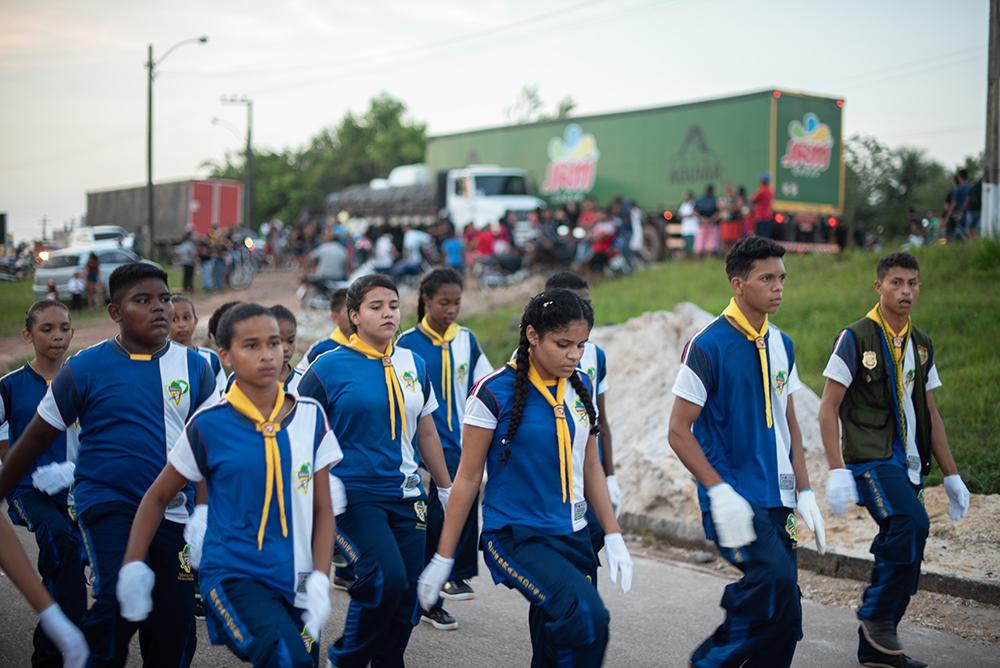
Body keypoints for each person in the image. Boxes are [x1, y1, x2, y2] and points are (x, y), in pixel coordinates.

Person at [0, 262, 219, 667]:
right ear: (115, 312)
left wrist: (203, 513)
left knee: (173, 623)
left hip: (174, 512)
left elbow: (208, 450)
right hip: (108, 504)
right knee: (119, 603)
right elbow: (34, 438)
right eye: (143, 300)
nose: (160, 309)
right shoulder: (84, 368)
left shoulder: (196, 368)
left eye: (165, 298)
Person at [116, 303, 341, 668]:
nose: (268, 354)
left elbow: (323, 509)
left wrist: (319, 575)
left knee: (299, 660)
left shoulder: (311, 416)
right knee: (287, 658)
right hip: (234, 576)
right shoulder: (209, 423)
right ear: (226, 356)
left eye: (274, 343)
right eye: (251, 345)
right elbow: (157, 496)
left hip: (297, 579)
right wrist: (132, 565)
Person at [418, 288, 633, 667]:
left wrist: (613, 534)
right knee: (587, 618)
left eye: (581, 345)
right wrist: (443, 557)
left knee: (555, 639)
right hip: (516, 538)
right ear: (532, 335)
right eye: (563, 344)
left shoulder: (579, 385)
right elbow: (467, 480)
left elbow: (590, 466)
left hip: (573, 534)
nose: (574, 355)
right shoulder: (493, 392)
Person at [668, 236, 825, 668]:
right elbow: (678, 431)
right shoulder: (707, 345)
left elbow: (789, 422)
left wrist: (806, 491)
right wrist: (717, 491)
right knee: (772, 581)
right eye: (767, 278)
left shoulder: (783, 344)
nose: (778, 287)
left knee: (786, 613)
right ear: (738, 284)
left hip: (781, 498)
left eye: (782, 278)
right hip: (735, 496)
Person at [818, 252, 970, 668]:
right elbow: (827, 407)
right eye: (897, 283)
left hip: (909, 464)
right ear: (879, 287)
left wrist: (952, 474)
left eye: (913, 283)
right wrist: (836, 469)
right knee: (909, 523)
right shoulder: (855, 338)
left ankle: (877, 650)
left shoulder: (921, 344)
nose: (905, 291)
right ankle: (876, 613)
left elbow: (931, 412)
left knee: (911, 541)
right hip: (870, 459)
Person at [297, 274, 454, 667]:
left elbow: (427, 430)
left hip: (408, 496)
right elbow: (298, 430)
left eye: (393, 306)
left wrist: (447, 488)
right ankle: (345, 659)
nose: (388, 313)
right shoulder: (327, 367)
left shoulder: (413, 362)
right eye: (376, 307)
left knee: (406, 598)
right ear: (353, 315)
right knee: (384, 579)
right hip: (352, 497)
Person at [396, 268, 494, 630]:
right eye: (444, 303)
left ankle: (451, 576)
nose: (451, 309)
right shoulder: (406, 343)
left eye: (456, 303)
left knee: (462, 510)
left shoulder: (466, 340)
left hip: (461, 444)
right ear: (426, 301)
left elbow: (485, 384)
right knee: (431, 521)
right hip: (424, 449)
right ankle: (429, 598)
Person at [0, 300, 88, 667]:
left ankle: (58, 638)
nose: (57, 336)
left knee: (69, 563)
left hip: (76, 488)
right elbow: (5, 448)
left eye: (64, 328)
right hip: (28, 490)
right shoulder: (9, 387)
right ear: (28, 335)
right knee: (63, 543)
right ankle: (61, 646)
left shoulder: (82, 379)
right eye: (47, 329)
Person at [543, 272, 622, 552]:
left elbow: (601, 419)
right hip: (554, 475)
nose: (584, 311)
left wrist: (610, 476)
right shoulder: (538, 355)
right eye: (576, 303)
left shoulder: (595, 355)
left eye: (587, 303)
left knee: (595, 535)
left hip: (588, 469)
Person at [0, 513, 89, 667]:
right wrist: (51, 614)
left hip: (71, 498)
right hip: (31, 491)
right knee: (61, 544)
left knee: (72, 568)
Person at [170, 293, 228, 397]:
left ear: (195, 321)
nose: (181, 324)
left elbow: (221, 395)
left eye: (186, 318)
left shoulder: (210, 358)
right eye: (174, 319)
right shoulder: (161, 360)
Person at [296, 288, 351, 373]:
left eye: (358, 311)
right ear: (335, 317)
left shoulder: (372, 345)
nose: (355, 316)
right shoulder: (321, 350)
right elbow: (299, 376)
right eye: (348, 312)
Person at [270, 304, 305, 394]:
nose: (285, 348)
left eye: (290, 341)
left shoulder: (304, 381)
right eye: (277, 342)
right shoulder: (244, 380)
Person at [694, 185, 720, 260]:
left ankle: (699, 261)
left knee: (699, 244)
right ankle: (707, 260)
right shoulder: (715, 200)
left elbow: (694, 212)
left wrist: (702, 219)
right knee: (710, 244)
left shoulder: (700, 200)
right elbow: (718, 212)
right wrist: (711, 219)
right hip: (711, 224)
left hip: (702, 224)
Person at [752, 174, 774, 239]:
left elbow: (753, 199)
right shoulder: (770, 191)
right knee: (766, 237)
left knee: (759, 238)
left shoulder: (762, 190)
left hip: (761, 217)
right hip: (768, 217)